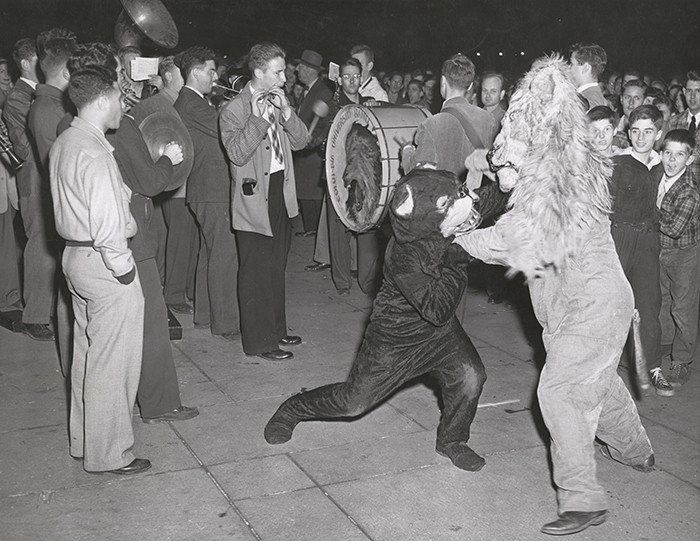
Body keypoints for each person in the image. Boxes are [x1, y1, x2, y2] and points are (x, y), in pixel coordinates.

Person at [50, 65, 149, 475]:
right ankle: (110, 454)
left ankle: (85, 442)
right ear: (104, 99)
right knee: (113, 362)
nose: (122, 107)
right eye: (119, 98)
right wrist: (124, 270)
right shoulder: (94, 152)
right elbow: (109, 223)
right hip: (104, 262)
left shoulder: (67, 141)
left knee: (88, 356)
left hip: (75, 256)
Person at [219, 42, 308, 361]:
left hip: (281, 191)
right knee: (256, 270)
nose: (285, 78)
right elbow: (237, 154)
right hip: (255, 197)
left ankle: (276, 328)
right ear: (258, 72)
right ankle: (259, 342)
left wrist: (287, 113)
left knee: (276, 266)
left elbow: (301, 142)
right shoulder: (235, 109)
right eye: (279, 71)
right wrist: (257, 120)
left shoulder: (279, 99)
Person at [174, 46, 239, 339]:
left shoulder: (195, 101)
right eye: (211, 71)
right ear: (196, 72)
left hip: (205, 188)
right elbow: (225, 129)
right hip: (213, 188)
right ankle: (225, 324)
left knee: (208, 254)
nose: (215, 76)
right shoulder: (191, 102)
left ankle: (204, 315)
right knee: (224, 256)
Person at [131, 56, 198, 316]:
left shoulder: (175, 101)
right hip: (172, 180)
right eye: (184, 74)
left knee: (177, 237)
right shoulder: (157, 104)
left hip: (175, 178)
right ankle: (174, 294)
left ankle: (173, 288)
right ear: (169, 76)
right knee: (179, 237)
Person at [610, 105, 668, 395]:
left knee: (649, 304)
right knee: (611, 303)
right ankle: (604, 367)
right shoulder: (618, 165)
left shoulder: (662, 166)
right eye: (635, 131)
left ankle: (653, 367)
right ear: (627, 132)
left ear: (658, 133)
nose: (641, 137)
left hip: (648, 241)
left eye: (648, 132)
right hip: (619, 237)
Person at [324, 57, 386, 296]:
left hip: (365, 174)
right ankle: (342, 282)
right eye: (347, 76)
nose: (351, 81)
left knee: (367, 224)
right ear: (339, 79)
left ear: (362, 78)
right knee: (339, 228)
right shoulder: (331, 106)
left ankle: (367, 280)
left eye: (355, 76)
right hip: (336, 175)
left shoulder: (370, 104)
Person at [656, 129, 699, 388]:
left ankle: (682, 361)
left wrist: (644, 211)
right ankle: (663, 346)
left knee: (682, 308)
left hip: (684, 255)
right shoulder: (659, 176)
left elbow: (673, 228)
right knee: (661, 300)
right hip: (661, 250)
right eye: (668, 153)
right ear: (660, 154)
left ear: (690, 159)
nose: (672, 160)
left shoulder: (690, 192)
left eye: (679, 155)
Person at [2, 38, 38, 315]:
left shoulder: (41, 93)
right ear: (25, 64)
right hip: (32, 181)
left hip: (43, 180)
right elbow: (25, 148)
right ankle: (35, 314)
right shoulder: (18, 98)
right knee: (37, 246)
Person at [293, 50, 333, 238]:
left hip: (312, 155)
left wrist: (311, 141)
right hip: (304, 153)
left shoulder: (323, 92)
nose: (297, 69)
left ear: (309, 70)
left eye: (301, 66)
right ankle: (310, 228)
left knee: (312, 194)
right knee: (305, 192)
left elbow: (323, 125)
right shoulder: (308, 90)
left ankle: (316, 231)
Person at [668, 71, 700, 180]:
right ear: (684, 92)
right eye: (689, 91)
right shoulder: (673, 122)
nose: (692, 96)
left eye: (698, 91)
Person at [569, 42, 608, 109]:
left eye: (572, 64)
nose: (568, 68)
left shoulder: (589, 100)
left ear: (585, 68)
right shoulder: (594, 96)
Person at [612, 80, 645, 149]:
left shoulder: (649, 131)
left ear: (644, 102)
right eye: (627, 97)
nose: (631, 102)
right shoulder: (611, 126)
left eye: (637, 98)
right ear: (621, 99)